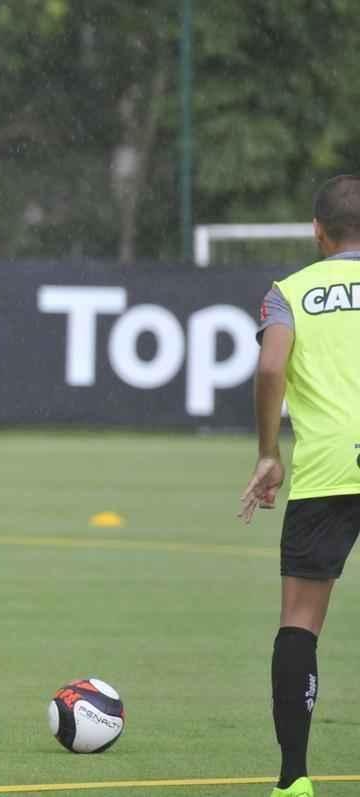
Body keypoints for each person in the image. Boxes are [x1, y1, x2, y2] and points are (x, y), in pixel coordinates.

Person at [239, 174, 360, 797]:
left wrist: (267, 453)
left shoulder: (288, 292)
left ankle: (294, 778)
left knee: (300, 623)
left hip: (330, 468)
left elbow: (269, 366)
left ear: (318, 231)